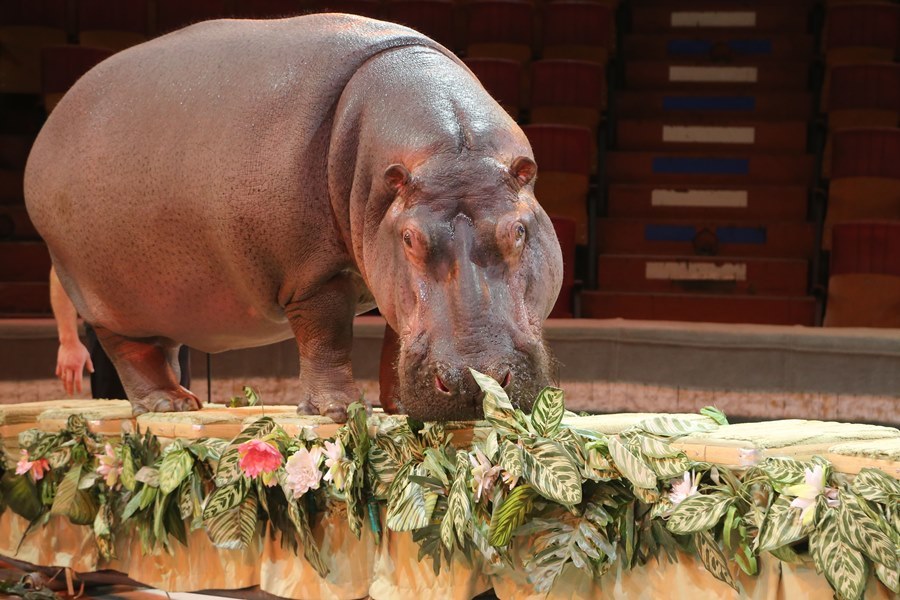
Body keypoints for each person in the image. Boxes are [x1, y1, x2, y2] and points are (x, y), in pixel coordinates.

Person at [49, 266, 190, 398]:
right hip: (111, 330)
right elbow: (62, 266)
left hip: (167, 327)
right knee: (116, 414)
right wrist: (69, 342)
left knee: (175, 410)